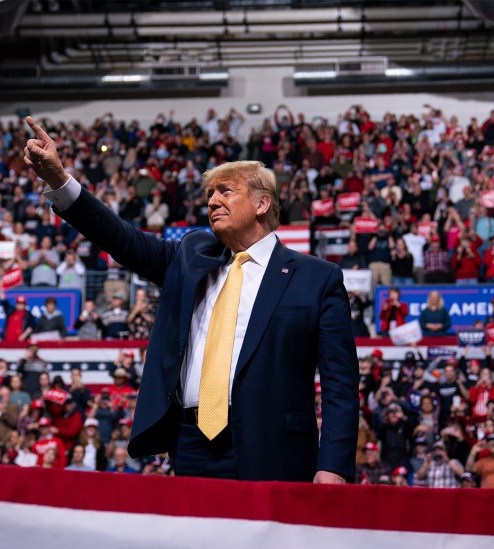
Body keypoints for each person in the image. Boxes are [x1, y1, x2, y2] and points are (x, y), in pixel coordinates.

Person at [24, 117, 358, 482]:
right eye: (210, 194)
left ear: (262, 203)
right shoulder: (191, 255)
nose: (213, 200)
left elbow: (339, 383)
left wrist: (334, 466)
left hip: (273, 448)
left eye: (225, 191)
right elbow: (123, 239)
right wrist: (60, 181)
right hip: (189, 444)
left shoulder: (316, 277)